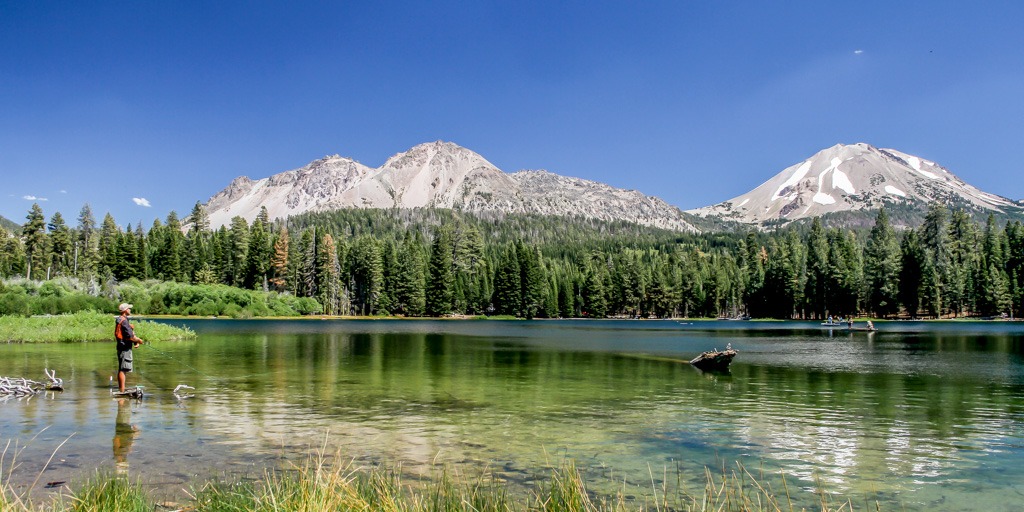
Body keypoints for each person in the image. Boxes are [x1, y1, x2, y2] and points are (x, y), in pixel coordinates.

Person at [115, 303, 143, 392]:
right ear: (125, 310)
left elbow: (127, 334)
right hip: (124, 348)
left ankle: (121, 389)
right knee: (123, 369)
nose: (130, 310)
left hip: (121, 347)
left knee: (122, 369)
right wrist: (138, 340)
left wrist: (135, 342)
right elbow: (131, 337)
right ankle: (122, 390)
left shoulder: (120, 319)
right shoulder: (124, 321)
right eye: (129, 309)